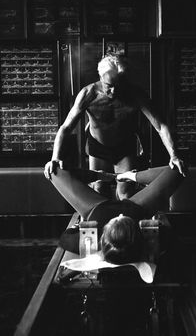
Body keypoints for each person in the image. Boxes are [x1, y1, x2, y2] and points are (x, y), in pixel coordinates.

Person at [44, 54, 186, 200]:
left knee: (126, 193)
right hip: (98, 148)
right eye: (109, 86)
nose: (114, 91)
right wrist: (55, 158)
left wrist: (174, 155)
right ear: (100, 77)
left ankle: (123, 222)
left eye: (118, 86)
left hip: (124, 148)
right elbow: (66, 128)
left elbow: (161, 126)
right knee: (99, 191)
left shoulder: (136, 94)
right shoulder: (89, 94)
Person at [44, 162, 185, 262]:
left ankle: (98, 176)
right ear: (137, 231)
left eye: (115, 220)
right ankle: (130, 176)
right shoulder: (145, 240)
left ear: (103, 234)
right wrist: (157, 227)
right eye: (124, 220)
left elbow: (65, 236)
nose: (120, 215)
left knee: (53, 170)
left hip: (96, 208)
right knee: (179, 169)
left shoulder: (92, 243)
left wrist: (81, 226)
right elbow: (169, 234)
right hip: (136, 207)